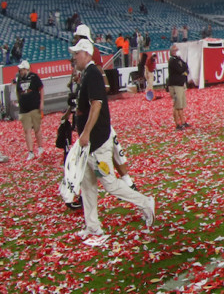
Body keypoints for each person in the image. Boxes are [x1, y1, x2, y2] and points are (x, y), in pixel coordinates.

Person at [69, 38, 155, 244]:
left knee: (109, 183)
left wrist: (86, 133)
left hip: (97, 143)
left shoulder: (92, 75)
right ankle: (92, 226)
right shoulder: (87, 75)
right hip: (91, 144)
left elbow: (96, 105)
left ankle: (146, 203)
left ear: (87, 54)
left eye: (76, 54)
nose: (74, 58)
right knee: (88, 184)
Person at [13, 60, 44, 160]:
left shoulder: (34, 77)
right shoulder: (19, 79)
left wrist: (41, 102)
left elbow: (41, 89)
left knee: (37, 128)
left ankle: (40, 147)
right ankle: (30, 151)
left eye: (22, 70)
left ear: (26, 69)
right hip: (24, 109)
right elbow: (18, 91)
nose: (21, 72)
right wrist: (19, 102)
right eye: (20, 70)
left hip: (34, 106)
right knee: (27, 131)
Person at [167, 45, 190, 130]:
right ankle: (177, 124)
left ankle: (183, 122)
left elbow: (185, 66)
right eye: (176, 50)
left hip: (180, 84)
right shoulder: (172, 61)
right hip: (175, 85)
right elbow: (180, 69)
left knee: (181, 105)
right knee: (177, 105)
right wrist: (184, 71)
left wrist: (185, 71)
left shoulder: (178, 59)